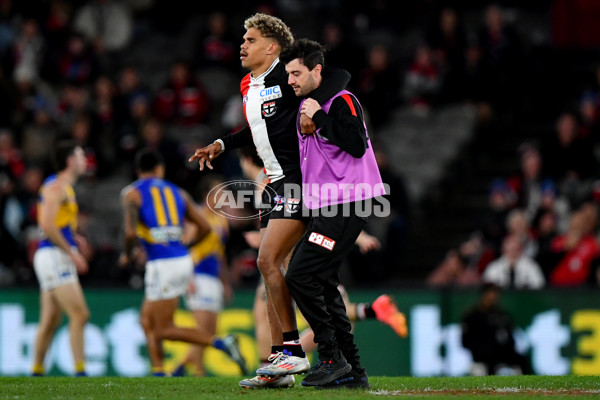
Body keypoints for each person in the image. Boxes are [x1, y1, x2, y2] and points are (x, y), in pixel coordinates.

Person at [189, 13, 350, 388]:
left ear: (272, 47)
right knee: (275, 270)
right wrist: (222, 143)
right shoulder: (249, 83)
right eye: (243, 39)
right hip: (274, 184)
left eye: (250, 39)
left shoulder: (286, 72)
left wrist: (315, 109)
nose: (242, 45)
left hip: (300, 180)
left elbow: (339, 78)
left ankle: (293, 352)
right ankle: (281, 362)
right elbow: (258, 129)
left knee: (267, 259)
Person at [280, 39, 386, 388]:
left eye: (296, 72)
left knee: (299, 274)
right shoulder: (307, 107)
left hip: (345, 205)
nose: (292, 79)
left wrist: (321, 117)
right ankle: (354, 371)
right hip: (327, 207)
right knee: (322, 282)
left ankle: (329, 357)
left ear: (317, 71)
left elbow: (356, 144)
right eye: (288, 73)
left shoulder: (342, 101)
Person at [120, 149, 245, 377]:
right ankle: (159, 372)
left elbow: (129, 233)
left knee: (163, 328)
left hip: (163, 264)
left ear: (139, 171)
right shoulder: (178, 192)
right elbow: (205, 229)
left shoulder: (131, 193)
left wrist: (127, 255)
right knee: (147, 320)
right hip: (180, 261)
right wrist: (183, 248)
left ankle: (221, 343)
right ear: (160, 169)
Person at [31, 140, 90, 377]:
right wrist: (71, 251)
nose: (85, 160)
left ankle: (36, 370)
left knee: (51, 320)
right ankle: (80, 371)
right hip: (53, 255)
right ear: (70, 161)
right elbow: (46, 225)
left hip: (53, 254)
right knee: (80, 314)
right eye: (81, 156)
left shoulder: (65, 188)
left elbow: (58, 223)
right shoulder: (56, 186)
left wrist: (76, 238)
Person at [171, 175, 239, 377]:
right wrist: (187, 278)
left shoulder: (222, 221)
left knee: (210, 332)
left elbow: (220, 255)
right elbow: (184, 246)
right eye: (218, 193)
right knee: (202, 330)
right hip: (197, 275)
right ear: (206, 194)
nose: (221, 197)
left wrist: (225, 282)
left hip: (213, 278)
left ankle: (181, 369)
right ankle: (195, 372)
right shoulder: (198, 216)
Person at [461, 283, 532, 375]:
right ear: (483, 295)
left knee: (521, 360)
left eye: (495, 294)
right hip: (482, 355)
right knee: (490, 362)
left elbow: (510, 338)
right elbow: (465, 341)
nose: (493, 297)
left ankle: (527, 388)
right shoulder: (472, 316)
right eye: (490, 294)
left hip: (501, 353)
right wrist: (483, 348)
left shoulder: (502, 315)